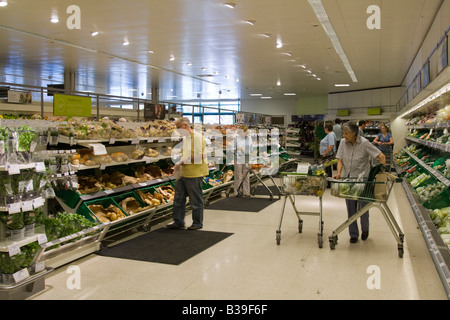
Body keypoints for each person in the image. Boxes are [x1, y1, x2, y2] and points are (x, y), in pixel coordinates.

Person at [334, 122, 386, 243]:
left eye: (346, 133)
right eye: (343, 133)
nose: (344, 135)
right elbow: (340, 160)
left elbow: (381, 156)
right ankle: (353, 234)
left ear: (354, 133)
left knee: (363, 207)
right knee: (350, 208)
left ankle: (365, 229)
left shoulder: (364, 143)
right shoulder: (342, 142)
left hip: (363, 181)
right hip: (349, 180)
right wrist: (339, 172)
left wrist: (381, 173)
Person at [167, 117, 209, 230]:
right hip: (183, 173)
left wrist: (184, 161)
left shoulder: (197, 137)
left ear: (185, 126)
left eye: (178, 128)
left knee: (195, 200)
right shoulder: (186, 138)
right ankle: (178, 221)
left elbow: (202, 156)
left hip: (194, 173)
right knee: (178, 199)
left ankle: (197, 223)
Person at [233, 125, 251, 197]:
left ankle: (246, 192)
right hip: (237, 158)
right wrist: (236, 149)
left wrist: (244, 150)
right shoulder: (236, 139)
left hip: (246, 158)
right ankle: (237, 191)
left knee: (246, 175)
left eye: (243, 131)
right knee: (238, 175)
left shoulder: (249, 139)